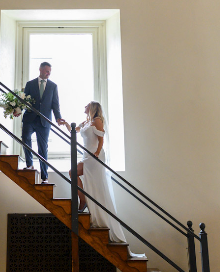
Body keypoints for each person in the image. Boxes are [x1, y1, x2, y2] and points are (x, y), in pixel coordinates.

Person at [67, 102, 145, 256]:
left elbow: (101, 139)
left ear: (92, 108)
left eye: (87, 105)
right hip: (86, 156)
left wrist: (96, 153)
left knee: (85, 179)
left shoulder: (97, 120)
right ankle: (84, 200)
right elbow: (74, 131)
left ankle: (86, 202)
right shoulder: (86, 122)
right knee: (73, 173)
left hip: (94, 157)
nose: (84, 107)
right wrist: (65, 124)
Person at [20, 62, 65, 184]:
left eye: (50, 71)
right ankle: (29, 164)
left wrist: (58, 118)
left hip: (44, 121)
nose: (48, 73)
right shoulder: (30, 84)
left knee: (43, 148)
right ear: (40, 69)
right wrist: (18, 110)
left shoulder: (53, 86)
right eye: (47, 71)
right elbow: (24, 100)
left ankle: (44, 177)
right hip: (30, 118)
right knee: (25, 138)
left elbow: (55, 104)